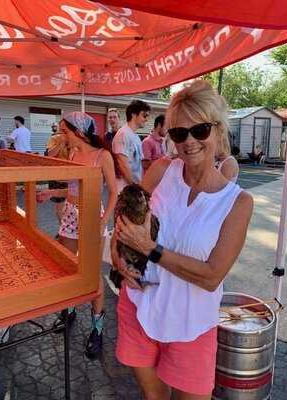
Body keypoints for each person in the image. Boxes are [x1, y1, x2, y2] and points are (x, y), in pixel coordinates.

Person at [112, 80, 253, 400]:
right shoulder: (161, 170)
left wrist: (151, 250)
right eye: (179, 133)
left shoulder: (237, 202)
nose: (189, 141)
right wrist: (119, 260)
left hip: (192, 323)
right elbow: (125, 218)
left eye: (199, 130)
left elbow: (212, 276)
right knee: (154, 397)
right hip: (140, 307)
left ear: (218, 130)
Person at [37, 112, 117, 359]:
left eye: (65, 131)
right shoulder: (71, 153)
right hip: (71, 213)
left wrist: (101, 223)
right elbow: (71, 188)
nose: (62, 135)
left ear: (79, 132)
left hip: (93, 215)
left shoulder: (103, 156)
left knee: (92, 274)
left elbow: (113, 193)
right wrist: (50, 194)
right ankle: (69, 311)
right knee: (68, 267)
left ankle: (97, 329)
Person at [112, 100, 151, 192]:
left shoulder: (135, 136)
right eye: (144, 115)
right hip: (124, 190)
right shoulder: (123, 134)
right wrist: (134, 187)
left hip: (132, 188)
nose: (146, 119)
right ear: (133, 114)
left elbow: (137, 163)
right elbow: (122, 164)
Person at [45, 122, 69, 227]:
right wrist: (61, 143)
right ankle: (62, 228)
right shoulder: (54, 138)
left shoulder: (73, 139)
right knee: (60, 206)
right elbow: (50, 155)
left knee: (72, 204)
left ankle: (70, 228)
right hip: (57, 177)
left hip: (71, 177)